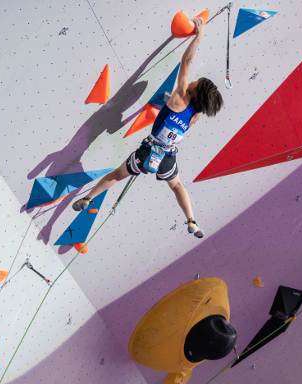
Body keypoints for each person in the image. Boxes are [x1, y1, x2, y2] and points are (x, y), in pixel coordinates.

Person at [72, 17, 223, 239]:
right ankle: (191, 220)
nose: (193, 80)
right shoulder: (195, 115)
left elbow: (186, 60)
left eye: (196, 81)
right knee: (177, 186)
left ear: (196, 89)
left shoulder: (181, 95)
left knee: (117, 175)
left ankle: (88, 198)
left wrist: (198, 36)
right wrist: (168, 100)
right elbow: (175, 115)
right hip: (166, 158)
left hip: (147, 152)